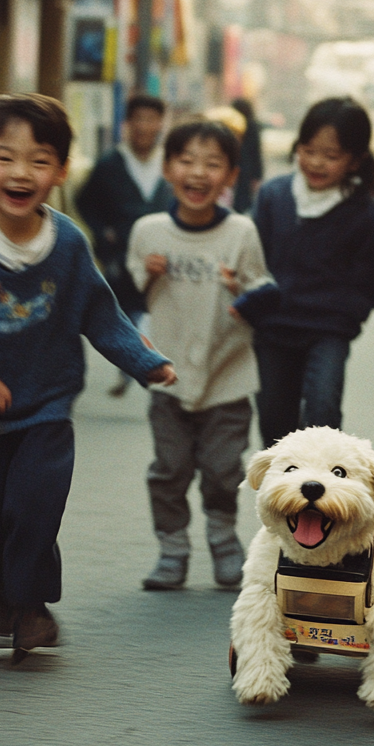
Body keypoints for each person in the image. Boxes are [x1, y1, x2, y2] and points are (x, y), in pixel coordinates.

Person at [0, 94, 176, 653]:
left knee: (33, 509)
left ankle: (32, 608)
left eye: (39, 160)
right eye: (5, 158)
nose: (21, 173)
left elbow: (101, 313)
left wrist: (144, 362)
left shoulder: (68, 243)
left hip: (48, 404)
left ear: (62, 171)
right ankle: (6, 595)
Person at [127, 120, 278, 591]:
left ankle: (223, 541)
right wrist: (148, 276)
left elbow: (265, 292)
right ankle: (172, 551)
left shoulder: (240, 232)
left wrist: (241, 291)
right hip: (169, 379)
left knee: (222, 469)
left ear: (231, 175)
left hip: (228, 380)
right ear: (169, 167)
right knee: (169, 470)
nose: (198, 173)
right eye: (187, 161)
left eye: (212, 164)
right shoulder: (148, 231)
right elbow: (127, 298)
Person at [252, 97, 374, 447]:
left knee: (323, 412)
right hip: (272, 330)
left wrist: (342, 317)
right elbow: (252, 262)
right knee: (273, 418)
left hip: (327, 333)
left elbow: (370, 288)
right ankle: (283, 496)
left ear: (355, 160)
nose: (316, 163)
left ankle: (319, 489)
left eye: (331, 156)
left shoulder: (367, 216)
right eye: (308, 150)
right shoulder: (272, 197)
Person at [75, 94, 173, 396]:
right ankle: (133, 364)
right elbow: (84, 201)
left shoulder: (170, 164)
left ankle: (159, 361)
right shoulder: (110, 164)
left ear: (160, 124)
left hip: (164, 253)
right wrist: (103, 231)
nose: (145, 127)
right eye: (138, 120)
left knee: (160, 308)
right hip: (123, 252)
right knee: (126, 308)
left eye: (151, 119)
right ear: (127, 124)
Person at [231, 96, 264, 213]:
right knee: (242, 196)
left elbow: (255, 152)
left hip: (239, 165)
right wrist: (257, 176)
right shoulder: (252, 126)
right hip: (247, 167)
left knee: (237, 195)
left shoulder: (235, 126)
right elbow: (256, 153)